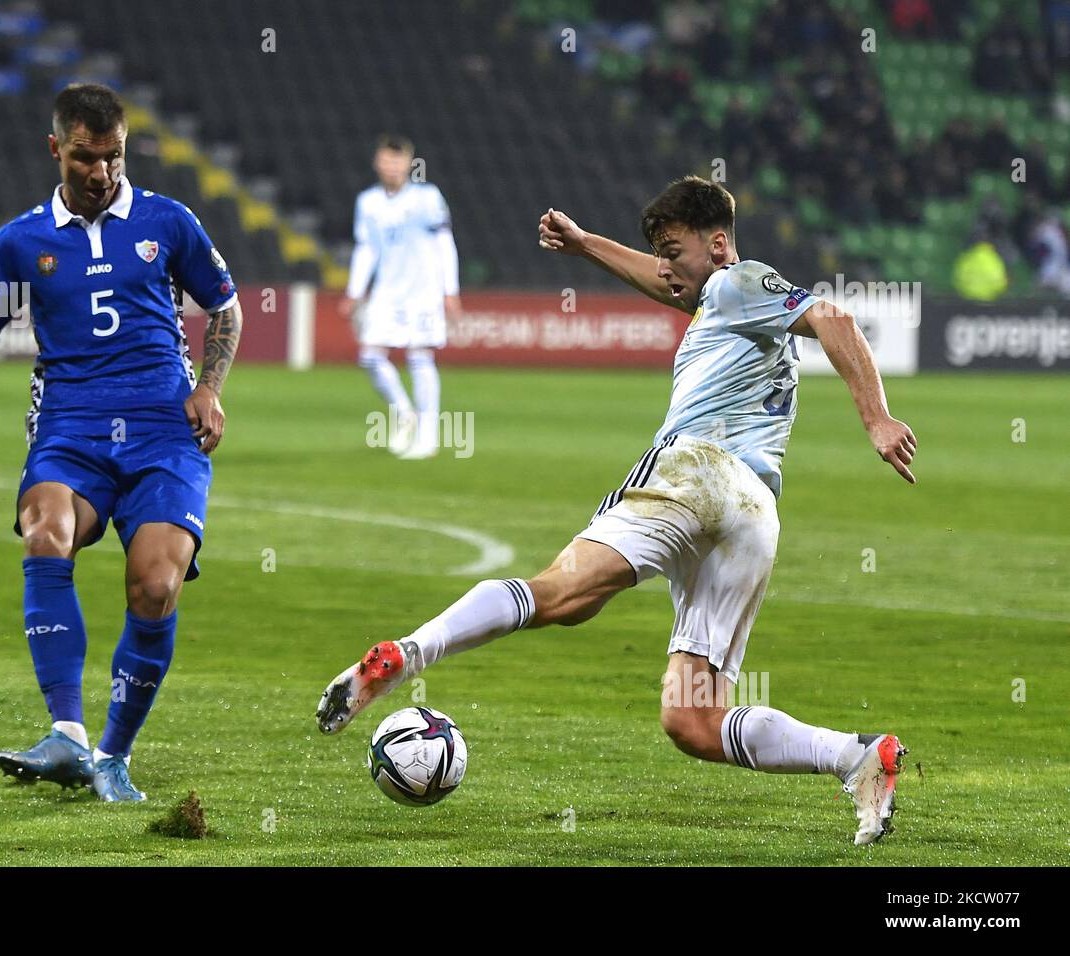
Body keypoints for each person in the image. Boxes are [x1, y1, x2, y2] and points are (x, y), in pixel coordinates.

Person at [317, 176, 917, 845]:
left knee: (556, 594)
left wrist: (877, 417)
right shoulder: (722, 299)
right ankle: (857, 757)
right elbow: (672, 285)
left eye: (673, 249)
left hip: (695, 473)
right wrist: (586, 246)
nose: (665, 267)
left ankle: (406, 653)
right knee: (692, 720)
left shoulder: (735, 281)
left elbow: (833, 317)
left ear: (718, 244)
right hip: (754, 514)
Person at [0, 84, 243, 802]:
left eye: (114, 157)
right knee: (45, 534)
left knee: (156, 586)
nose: (101, 173)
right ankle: (67, 736)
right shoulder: (21, 241)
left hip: (165, 427)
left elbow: (223, 308)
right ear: (55, 149)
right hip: (71, 427)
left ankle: (113, 757)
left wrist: (209, 387)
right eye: (85, 158)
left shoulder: (168, 221)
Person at [341, 135, 460, 458]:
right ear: (377, 163)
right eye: (386, 160)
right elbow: (366, 249)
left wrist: (450, 290)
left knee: (420, 357)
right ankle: (405, 412)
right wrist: (355, 291)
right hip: (387, 291)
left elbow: (445, 243)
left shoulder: (427, 198)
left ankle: (428, 436)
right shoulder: (368, 202)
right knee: (369, 356)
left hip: (423, 291)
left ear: (408, 164)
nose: (391, 166)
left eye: (397, 160)